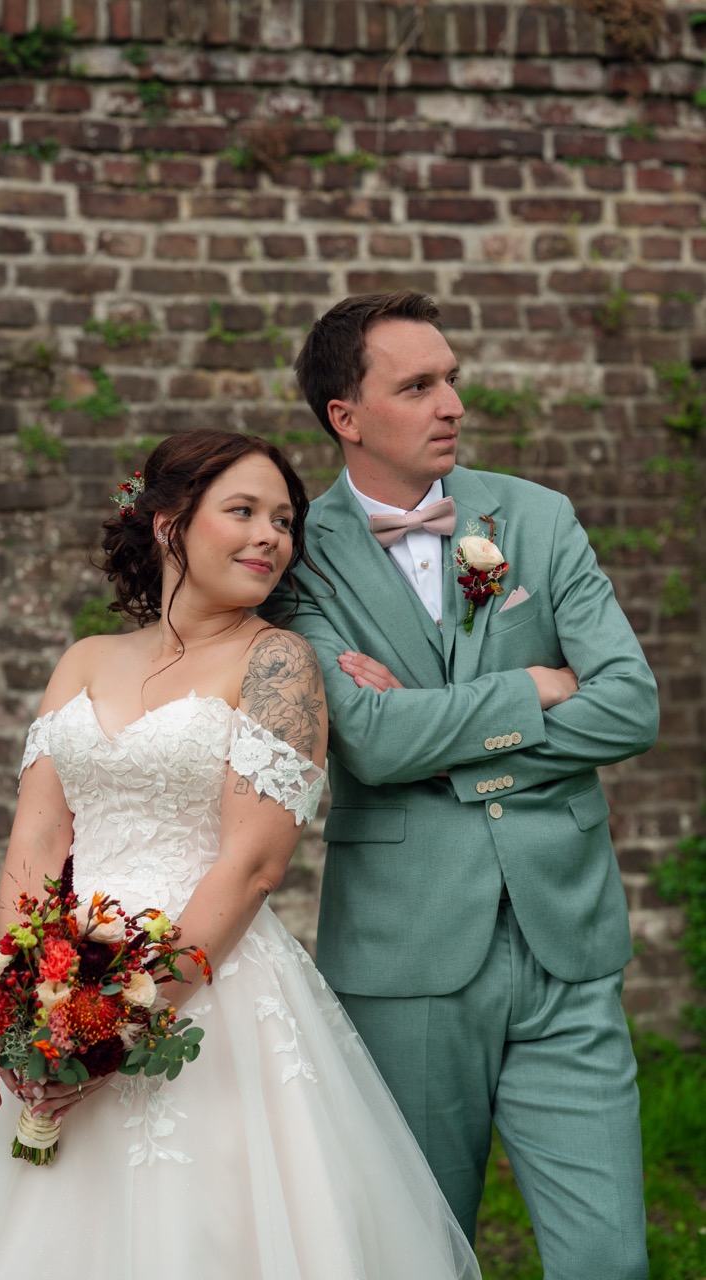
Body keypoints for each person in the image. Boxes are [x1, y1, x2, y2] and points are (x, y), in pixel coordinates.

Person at [0, 428, 480, 1280]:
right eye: (243, 511)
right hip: (53, 964)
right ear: (166, 524)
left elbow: (252, 867)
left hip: (203, 981)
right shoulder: (85, 660)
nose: (270, 536)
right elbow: (37, 838)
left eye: (283, 520)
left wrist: (118, 1028)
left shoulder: (276, 663)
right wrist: (26, 998)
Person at [266, 292, 659, 1279]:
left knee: (609, 1258)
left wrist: (436, 729)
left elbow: (628, 706)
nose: (450, 404)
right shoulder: (295, 554)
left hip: (566, 939)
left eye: (451, 380)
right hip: (405, 951)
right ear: (345, 415)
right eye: (416, 386)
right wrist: (531, 687)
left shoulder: (534, 517)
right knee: (418, 1253)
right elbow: (367, 742)